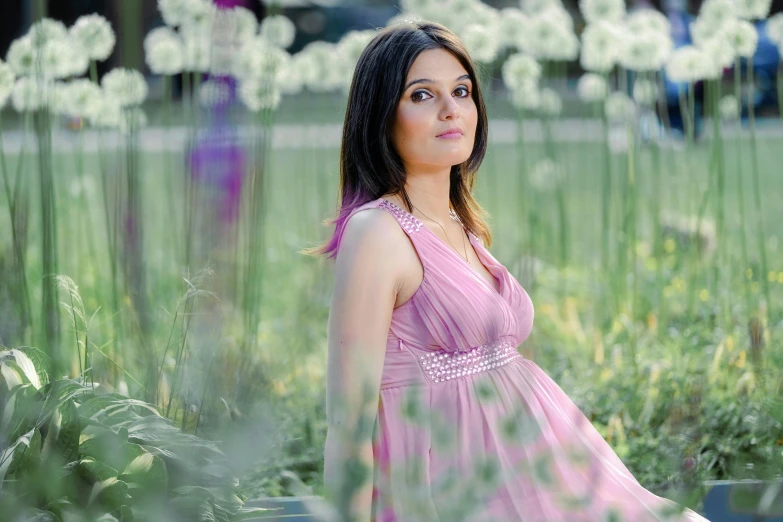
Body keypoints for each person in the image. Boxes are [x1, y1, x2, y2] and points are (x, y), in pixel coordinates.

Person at [301, 20, 712, 522]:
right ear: (381, 114)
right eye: (422, 95)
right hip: (455, 485)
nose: (452, 109)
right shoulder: (377, 233)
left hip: (538, 469)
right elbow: (348, 419)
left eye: (462, 91)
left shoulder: (458, 221)